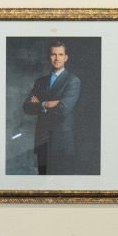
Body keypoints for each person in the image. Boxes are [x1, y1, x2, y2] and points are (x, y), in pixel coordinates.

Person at [23, 40, 81, 174]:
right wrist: (46, 104)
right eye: (53, 54)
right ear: (49, 57)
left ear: (66, 58)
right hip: (42, 140)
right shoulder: (40, 81)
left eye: (60, 54)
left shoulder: (73, 81)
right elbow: (26, 107)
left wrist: (39, 103)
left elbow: (62, 110)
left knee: (61, 186)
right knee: (43, 184)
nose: (57, 58)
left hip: (62, 142)